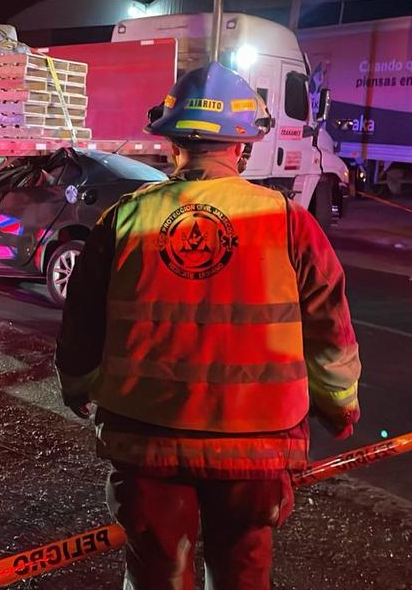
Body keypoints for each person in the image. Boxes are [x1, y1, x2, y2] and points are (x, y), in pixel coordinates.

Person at [55, 62, 362, 590]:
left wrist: (78, 387)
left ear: (173, 143)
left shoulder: (124, 219)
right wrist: (339, 404)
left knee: (157, 572)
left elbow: (81, 324)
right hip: (257, 445)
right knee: (242, 569)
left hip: (145, 439)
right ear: (241, 147)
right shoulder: (288, 221)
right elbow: (329, 325)